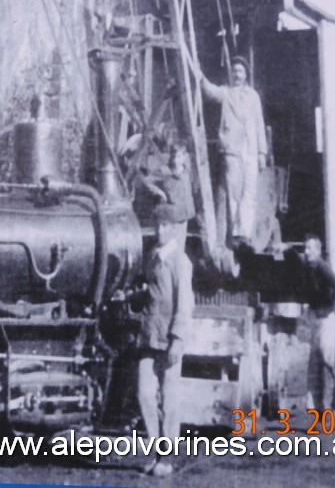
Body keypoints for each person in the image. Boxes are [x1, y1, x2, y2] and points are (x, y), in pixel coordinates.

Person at [131, 203, 194, 476]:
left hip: (169, 338)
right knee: (144, 394)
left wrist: (178, 338)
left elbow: (185, 303)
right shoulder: (152, 257)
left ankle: (167, 459)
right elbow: (149, 292)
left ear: (175, 228)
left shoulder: (180, 261)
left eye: (165, 226)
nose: (160, 230)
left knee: (169, 399)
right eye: (157, 225)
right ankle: (156, 452)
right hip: (148, 336)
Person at [197, 56, 268, 246]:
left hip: (251, 150)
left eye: (240, 72)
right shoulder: (226, 93)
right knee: (234, 193)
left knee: (250, 192)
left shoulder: (253, 96)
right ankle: (236, 234)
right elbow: (209, 91)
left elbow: (259, 123)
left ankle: (245, 232)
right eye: (235, 71)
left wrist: (263, 152)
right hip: (233, 150)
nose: (237, 74)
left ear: (245, 75)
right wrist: (200, 75)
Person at [301, 234, 335, 410]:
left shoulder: (322, 267)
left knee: (327, 361)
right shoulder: (307, 268)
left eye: (310, 248)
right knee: (314, 367)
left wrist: (329, 309)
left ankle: (332, 404)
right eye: (305, 248)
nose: (306, 251)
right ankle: (316, 412)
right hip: (315, 320)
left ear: (317, 251)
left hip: (327, 321)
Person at [138, 144, 196, 249]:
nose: (175, 160)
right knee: (170, 246)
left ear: (184, 157)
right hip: (173, 216)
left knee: (180, 245)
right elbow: (146, 181)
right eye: (173, 156)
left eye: (178, 157)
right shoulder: (165, 171)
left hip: (185, 213)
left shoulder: (187, 171)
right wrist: (159, 192)